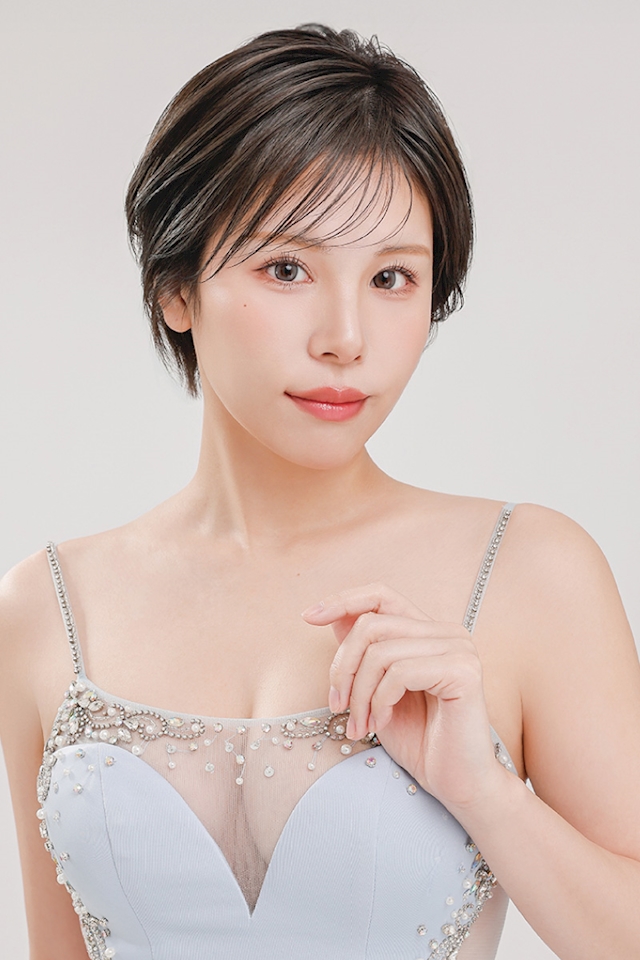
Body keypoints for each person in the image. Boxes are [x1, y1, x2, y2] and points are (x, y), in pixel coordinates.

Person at [0, 22, 638, 960]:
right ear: (176, 286)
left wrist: (488, 794)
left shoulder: (532, 574)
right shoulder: (47, 607)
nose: (346, 337)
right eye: (287, 268)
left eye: (392, 277)